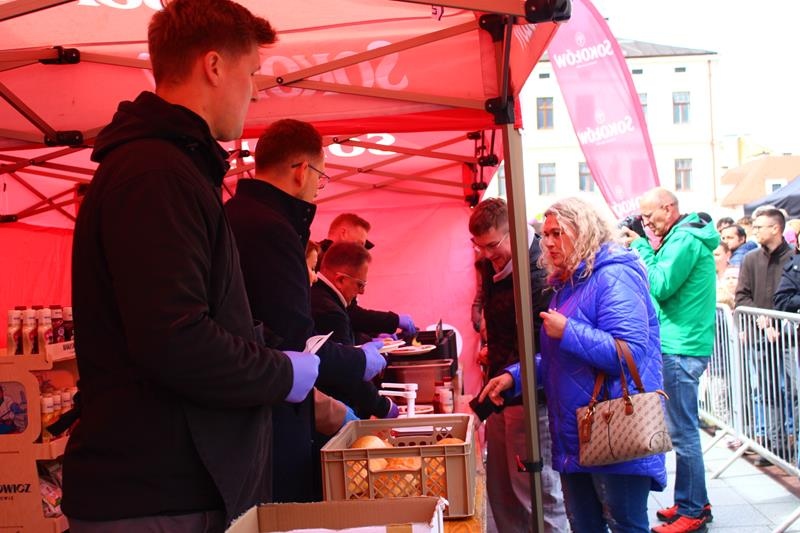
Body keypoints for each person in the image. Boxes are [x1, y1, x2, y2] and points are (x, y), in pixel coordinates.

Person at [62, 1, 320, 530]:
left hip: (177, 487)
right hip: (157, 495)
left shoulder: (175, 166)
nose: (253, 91)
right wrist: (281, 373)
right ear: (214, 66)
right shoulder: (154, 174)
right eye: (251, 73)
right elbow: (175, 339)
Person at [481, 197, 666, 533]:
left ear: (585, 231)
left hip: (614, 426)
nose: (548, 242)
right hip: (576, 430)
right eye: (546, 234)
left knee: (626, 525)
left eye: (558, 233)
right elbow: (560, 358)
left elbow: (629, 353)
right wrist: (515, 377)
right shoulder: (568, 284)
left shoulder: (614, 275)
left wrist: (569, 331)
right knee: (583, 525)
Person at [225, 119, 386, 502]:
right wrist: (357, 362)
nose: (317, 187)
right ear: (301, 171)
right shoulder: (272, 229)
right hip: (271, 420)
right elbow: (295, 338)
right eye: (321, 177)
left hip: (247, 415)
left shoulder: (234, 215)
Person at [468, 198, 568, 533]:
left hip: (532, 397)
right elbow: (499, 326)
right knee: (502, 493)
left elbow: (542, 346)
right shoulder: (493, 263)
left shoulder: (540, 270)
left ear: (513, 232)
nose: (486, 254)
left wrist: (495, 392)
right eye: (479, 246)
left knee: (537, 495)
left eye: (492, 245)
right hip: (502, 391)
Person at [621, 187, 717, 533]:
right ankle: (694, 499)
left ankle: (693, 510)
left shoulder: (685, 240)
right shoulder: (682, 236)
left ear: (669, 207)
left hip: (681, 348)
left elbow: (660, 284)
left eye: (649, 216)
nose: (646, 223)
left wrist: (641, 246)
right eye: (642, 218)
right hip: (682, 344)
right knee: (683, 430)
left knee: (683, 433)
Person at [310, 241, 399, 419]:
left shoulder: (327, 301)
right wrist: (383, 406)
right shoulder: (330, 311)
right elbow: (347, 371)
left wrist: (368, 342)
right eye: (360, 285)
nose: (362, 292)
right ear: (340, 279)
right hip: (334, 409)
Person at [735, 208, 795, 466]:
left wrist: (778, 321)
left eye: (760, 226)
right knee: (767, 391)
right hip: (760, 337)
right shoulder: (750, 259)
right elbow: (741, 295)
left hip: (790, 338)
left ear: (776, 228)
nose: (755, 230)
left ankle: (795, 447)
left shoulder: (793, 259)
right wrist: (760, 318)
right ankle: (774, 446)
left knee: (794, 391)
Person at [317, 213, 417, 341]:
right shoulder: (318, 258)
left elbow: (349, 319)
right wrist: (393, 321)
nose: (361, 249)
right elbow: (349, 314)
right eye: (359, 243)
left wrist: (371, 337)